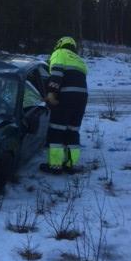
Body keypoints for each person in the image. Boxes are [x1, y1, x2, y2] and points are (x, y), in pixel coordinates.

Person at [40, 36, 88, 175]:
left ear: (60, 44)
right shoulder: (79, 60)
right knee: (73, 131)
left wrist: (51, 93)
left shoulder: (59, 53)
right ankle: (71, 165)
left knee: (56, 130)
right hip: (82, 99)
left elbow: (56, 73)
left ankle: (55, 166)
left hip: (66, 97)